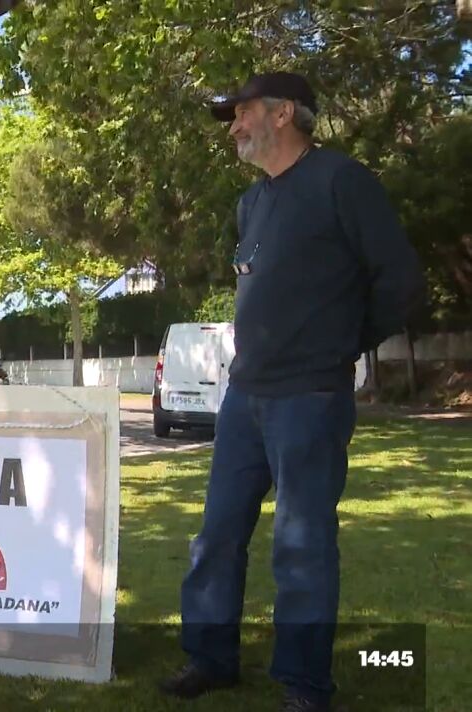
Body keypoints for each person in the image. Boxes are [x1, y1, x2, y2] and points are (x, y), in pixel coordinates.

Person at [159, 72, 424, 711]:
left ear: (283, 115)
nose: (233, 127)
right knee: (217, 535)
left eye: (242, 113)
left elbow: (400, 281)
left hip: (310, 395)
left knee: (301, 545)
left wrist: (341, 343)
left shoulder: (342, 181)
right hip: (244, 397)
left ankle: (304, 685)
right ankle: (210, 659)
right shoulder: (251, 204)